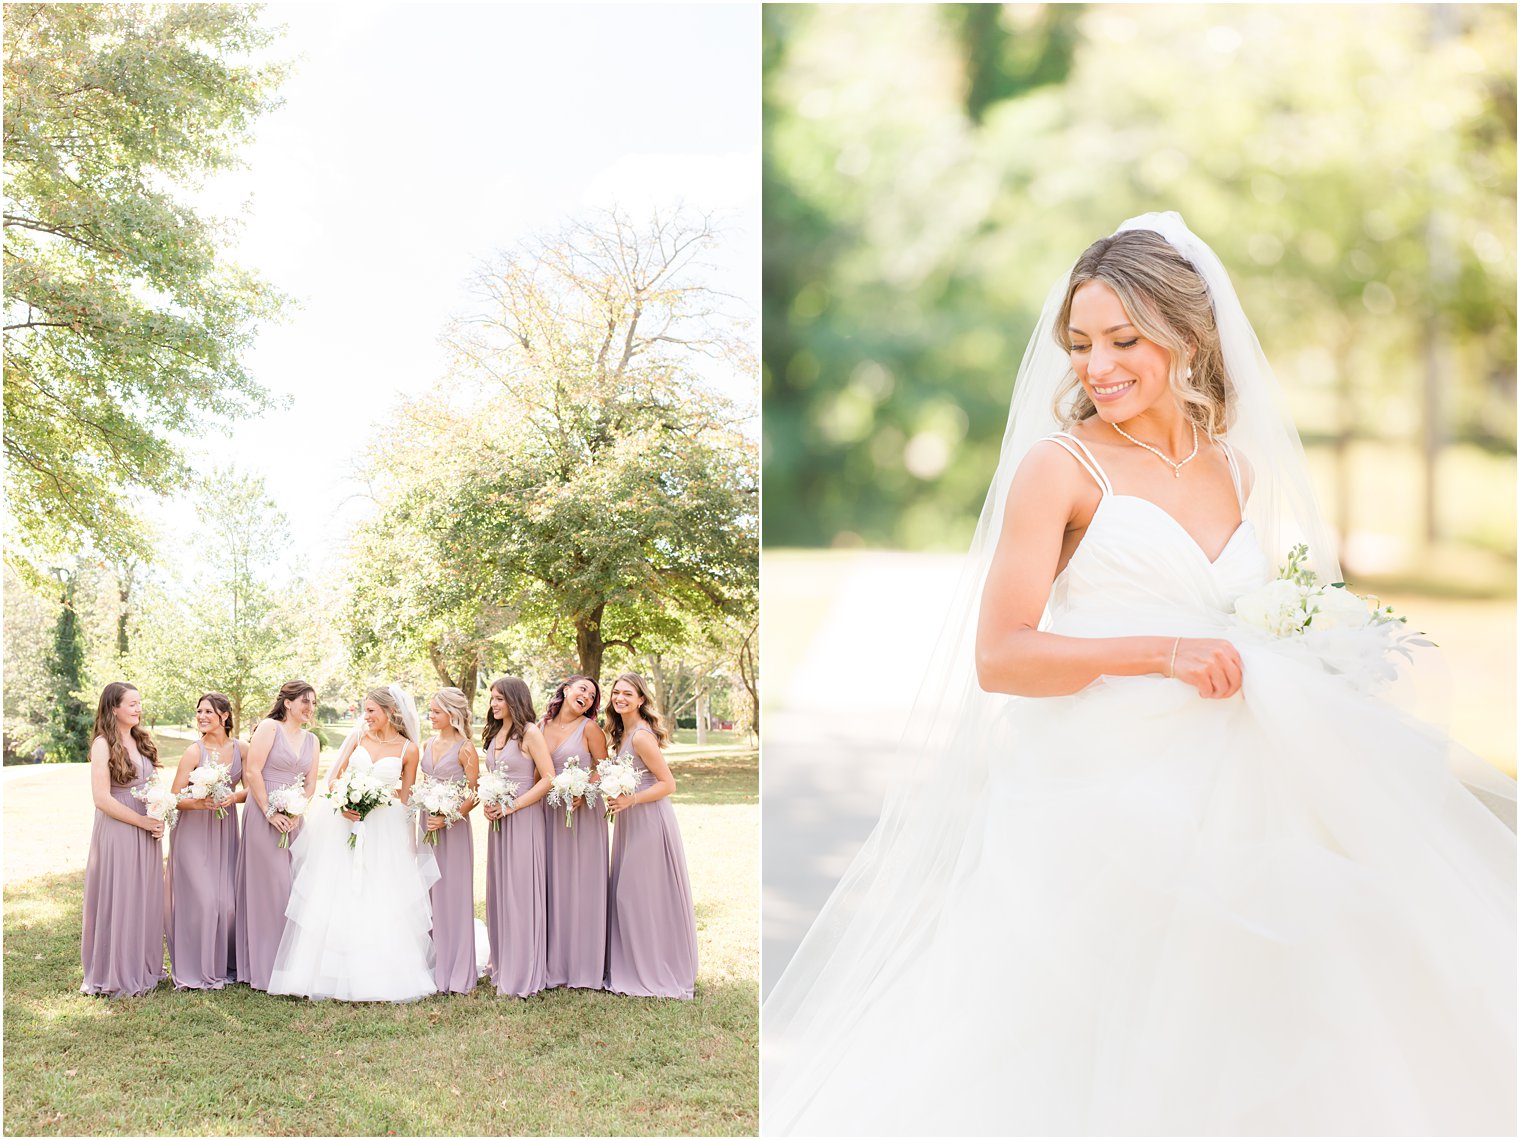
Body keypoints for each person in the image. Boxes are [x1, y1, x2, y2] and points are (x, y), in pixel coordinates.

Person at [762, 213, 1517, 1136]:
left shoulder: (1235, 467)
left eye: (1125, 339)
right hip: (1105, 799)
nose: (1097, 365)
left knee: (1275, 1024)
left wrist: (1313, 653)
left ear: (1188, 338)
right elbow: (1001, 654)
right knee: (1091, 1043)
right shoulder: (1062, 468)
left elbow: (1255, 612)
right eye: (1080, 343)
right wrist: (1161, 653)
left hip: (1252, 791)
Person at [267, 684, 438, 1002]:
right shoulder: (358, 737)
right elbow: (333, 778)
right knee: (338, 891)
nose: (366, 716)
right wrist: (344, 800)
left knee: (378, 894)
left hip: (383, 830)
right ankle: (325, 974)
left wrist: (405, 842)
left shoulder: (408, 750)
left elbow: (406, 798)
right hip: (345, 823)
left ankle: (377, 974)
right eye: (365, 710)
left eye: (371, 710)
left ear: (389, 711)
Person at [604, 673, 698, 999]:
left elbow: (667, 784)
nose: (620, 698)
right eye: (616, 692)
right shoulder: (622, 732)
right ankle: (634, 964)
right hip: (631, 821)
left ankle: (651, 970)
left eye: (627, 693)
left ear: (641, 699)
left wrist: (630, 799)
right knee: (633, 894)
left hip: (648, 819)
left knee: (635, 894)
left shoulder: (642, 736)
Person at [80, 681, 166, 997]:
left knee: (143, 896)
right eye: (132, 704)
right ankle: (113, 970)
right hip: (118, 827)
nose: (138, 709)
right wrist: (142, 821)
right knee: (120, 896)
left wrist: (160, 816)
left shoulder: (141, 741)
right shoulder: (103, 744)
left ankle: (141, 966)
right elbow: (101, 798)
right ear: (114, 708)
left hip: (146, 827)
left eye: (139, 703)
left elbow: (155, 785)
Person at [235, 680, 319, 991]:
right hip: (264, 812)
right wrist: (271, 811)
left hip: (294, 818)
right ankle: (264, 966)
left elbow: (310, 783)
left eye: (313, 703)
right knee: (269, 888)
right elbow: (253, 771)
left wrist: (298, 808)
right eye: (304, 702)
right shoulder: (269, 728)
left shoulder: (312, 740)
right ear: (287, 703)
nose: (309, 708)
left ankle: (290, 964)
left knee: (294, 887)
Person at [481, 676, 555, 997]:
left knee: (521, 892)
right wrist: (489, 802)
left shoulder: (530, 733)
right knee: (501, 891)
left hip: (524, 819)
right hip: (498, 823)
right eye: (492, 699)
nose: (494, 704)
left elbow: (548, 778)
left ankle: (524, 970)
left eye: (499, 699)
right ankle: (504, 963)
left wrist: (512, 806)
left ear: (515, 699)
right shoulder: (496, 732)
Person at [167, 692, 243, 989]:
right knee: (204, 901)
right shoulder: (193, 752)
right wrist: (201, 803)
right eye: (199, 711)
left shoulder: (241, 749)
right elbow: (174, 797)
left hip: (225, 833)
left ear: (224, 716)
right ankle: (194, 968)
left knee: (228, 904)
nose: (201, 716)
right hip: (193, 832)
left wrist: (233, 797)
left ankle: (222, 965)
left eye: (208, 711)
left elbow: (253, 787)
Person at [540, 674, 610, 989]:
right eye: (583, 689)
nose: (587, 696)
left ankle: (583, 964)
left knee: (580, 883)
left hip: (581, 813)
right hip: (548, 813)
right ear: (566, 690)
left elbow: (602, 768)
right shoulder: (539, 727)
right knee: (552, 882)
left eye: (593, 696)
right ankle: (552, 960)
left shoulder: (591, 729)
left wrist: (584, 789)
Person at [418, 687, 481, 994]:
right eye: (430, 711)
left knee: (452, 895)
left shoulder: (466, 748)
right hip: (426, 824)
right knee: (428, 893)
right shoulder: (427, 743)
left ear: (452, 715)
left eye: (436, 712)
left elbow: (473, 793)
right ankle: (431, 962)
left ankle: (456, 969)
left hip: (452, 829)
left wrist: (448, 816)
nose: (431, 716)